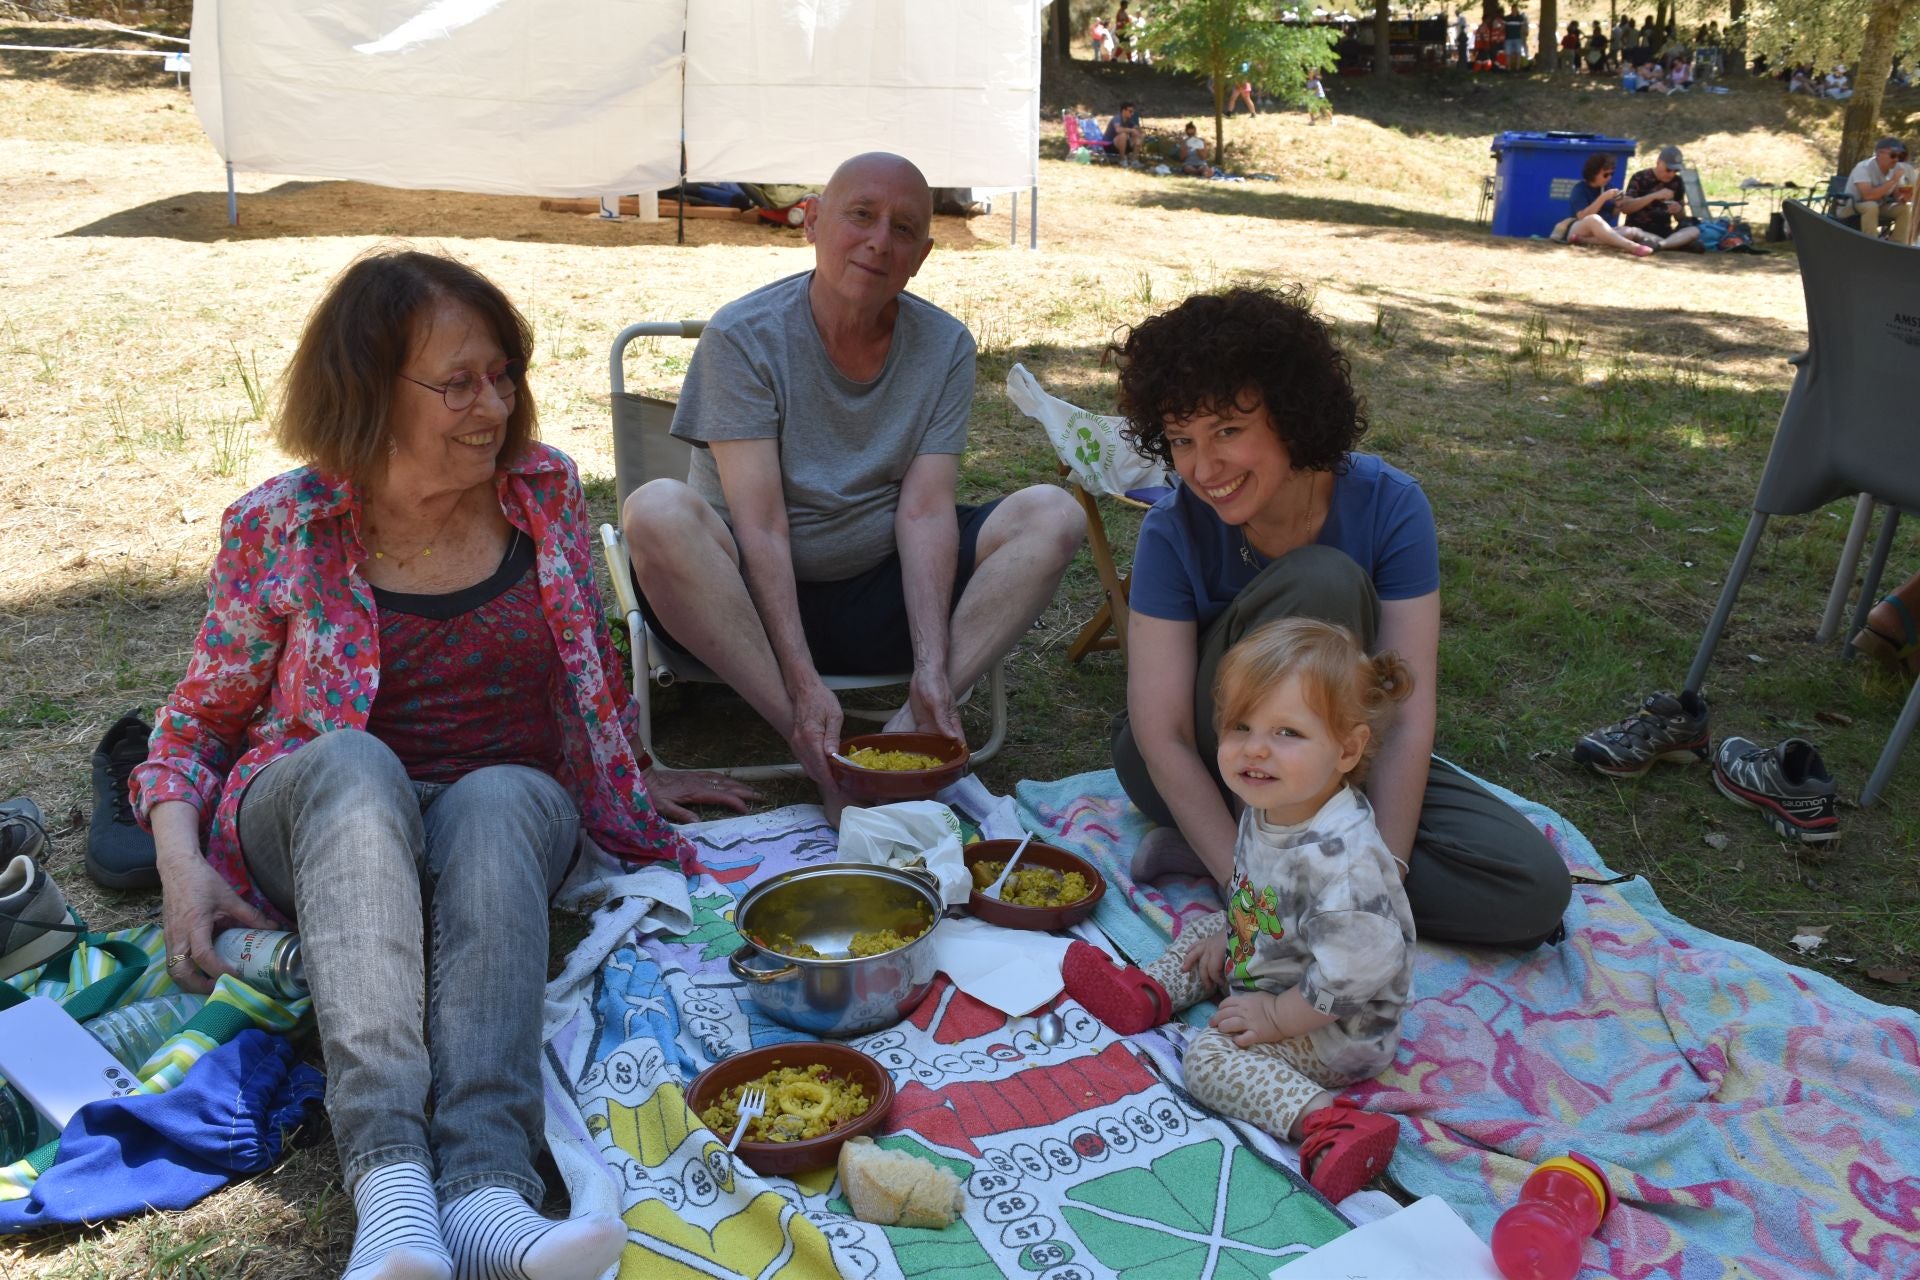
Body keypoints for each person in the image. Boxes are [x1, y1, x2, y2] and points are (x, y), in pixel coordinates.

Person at [133, 249, 756, 1280]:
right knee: (355, 764)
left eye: (503, 374)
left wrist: (634, 771)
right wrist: (180, 866)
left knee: (502, 795)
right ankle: (391, 1193)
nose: (495, 406)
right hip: (322, 812)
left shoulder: (543, 491)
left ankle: (483, 1193)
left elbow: (590, 667)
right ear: (369, 391)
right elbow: (193, 726)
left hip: (496, 819)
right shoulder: (280, 525)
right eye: (458, 383)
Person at [619, 154, 1083, 824]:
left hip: (876, 598)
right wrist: (802, 680)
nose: (879, 241)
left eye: (903, 228)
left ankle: (906, 735)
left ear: (921, 256)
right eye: (860, 215)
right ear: (811, 221)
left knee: (1053, 513)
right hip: (740, 608)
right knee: (655, 509)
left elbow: (924, 512)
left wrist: (931, 662)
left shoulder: (944, 345)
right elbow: (762, 525)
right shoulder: (742, 337)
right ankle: (813, 743)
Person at [1105, 286, 1572, 949]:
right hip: (1210, 755)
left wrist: (1383, 883)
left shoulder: (1391, 506)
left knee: (1529, 892)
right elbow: (1165, 734)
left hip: (1331, 752)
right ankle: (1248, 865)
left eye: (1228, 431)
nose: (1204, 468)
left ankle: (1220, 855)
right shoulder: (1172, 530)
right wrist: (1247, 895)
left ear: (1292, 415)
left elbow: (1403, 713)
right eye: (1182, 440)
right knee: (1323, 583)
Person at [1067, 618, 1414, 1203]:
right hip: (1280, 952)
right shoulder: (1278, 795)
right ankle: (1146, 994)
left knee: (1208, 1058)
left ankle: (1332, 1124)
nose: (1255, 748)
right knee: (1208, 927)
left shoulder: (1345, 866)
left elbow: (1352, 978)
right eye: (1240, 726)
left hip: (1335, 1024)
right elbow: (1262, 890)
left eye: (1287, 732)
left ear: (1347, 750)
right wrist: (1234, 933)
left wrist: (1276, 1016)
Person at [1556, 154, 1657, 256]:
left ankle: (1583, 240)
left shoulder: (1607, 187)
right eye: (1605, 175)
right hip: (1579, 228)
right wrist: (1602, 198)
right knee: (1594, 219)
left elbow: (1612, 215)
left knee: (1629, 232)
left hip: (1602, 231)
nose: (1609, 178)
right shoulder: (1580, 189)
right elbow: (1582, 216)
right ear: (1594, 174)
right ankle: (1632, 247)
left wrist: (1618, 205)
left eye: (1611, 174)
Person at [1621, 144, 1703, 251]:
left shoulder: (1677, 182)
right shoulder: (1640, 177)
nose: (1671, 174)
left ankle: (1660, 245)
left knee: (1694, 230)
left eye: (1676, 171)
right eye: (1668, 169)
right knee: (1631, 232)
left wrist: (1678, 209)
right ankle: (1674, 244)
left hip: (1664, 232)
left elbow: (1681, 218)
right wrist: (1653, 196)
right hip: (1640, 230)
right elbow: (1626, 208)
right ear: (1658, 162)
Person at [1846, 136, 1915, 240]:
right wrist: (1893, 180)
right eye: (1893, 155)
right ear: (1879, 153)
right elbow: (1867, 196)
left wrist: (1903, 198)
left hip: (1879, 206)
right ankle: (1871, 243)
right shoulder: (1863, 168)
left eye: (1899, 156)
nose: (1896, 159)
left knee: (1905, 209)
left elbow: (1897, 195)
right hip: (1853, 205)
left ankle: (1898, 244)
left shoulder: (1895, 169)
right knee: (1871, 206)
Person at [1503, 3, 1528, 67]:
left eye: (1515, 9)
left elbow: (1522, 28)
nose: (1514, 11)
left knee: (1518, 53)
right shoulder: (1507, 18)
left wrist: (1522, 36)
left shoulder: (1520, 18)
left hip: (1518, 38)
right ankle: (1509, 68)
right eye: (1513, 9)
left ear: (1517, 10)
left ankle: (1517, 68)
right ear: (1511, 9)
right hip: (1508, 38)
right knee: (1508, 53)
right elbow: (1504, 28)